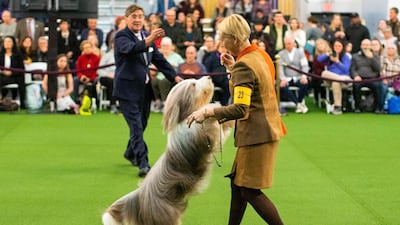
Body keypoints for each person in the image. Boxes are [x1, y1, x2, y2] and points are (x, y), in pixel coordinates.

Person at [187, 14, 286, 225]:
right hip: (266, 129)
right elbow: (256, 88)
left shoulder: (244, 65)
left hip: (257, 135)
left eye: (224, 38)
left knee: (249, 190)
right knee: (237, 184)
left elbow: (241, 108)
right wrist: (233, 69)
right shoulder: (261, 55)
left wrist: (207, 112)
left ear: (235, 38)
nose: (222, 43)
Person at [113, 4, 183, 177]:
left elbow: (159, 60)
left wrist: (174, 77)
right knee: (136, 126)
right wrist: (149, 40)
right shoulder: (121, 36)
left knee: (142, 124)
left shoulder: (146, 36)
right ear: (127, 19)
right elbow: (129, 49)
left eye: (140, 16)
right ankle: (143, 163)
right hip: (127, 90)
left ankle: (130, 153)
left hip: (144, 89)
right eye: (134, 16)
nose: (137, 19)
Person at [318, 39, 352, 114]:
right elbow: (319, 59)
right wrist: (328, 54)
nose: (337, 47)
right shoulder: (330, 55)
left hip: (342, 82)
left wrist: (337, 62)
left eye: (339, 46)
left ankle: (338, 108)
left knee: (335, 83)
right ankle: (340, 79)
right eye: (335, 46)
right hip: (337, 79)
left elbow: (346, 69)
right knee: (324, 73)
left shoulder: (346, 56)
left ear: (342, 47)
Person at [151, 36, 184, 113]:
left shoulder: (177, 56)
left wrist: (173, 66)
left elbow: (182, 67)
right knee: (154, 81)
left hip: (171, 77)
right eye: (163, 46)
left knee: (163, 82)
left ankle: (165, 103)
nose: (165, 48)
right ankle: (157, 101)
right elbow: (152, 68)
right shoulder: (158, 56)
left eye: (167, 46)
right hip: (158, 76)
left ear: (171, 47)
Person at [278, 37, 310, 114]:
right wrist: (283, 79)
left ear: (294, 44)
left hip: (298, 76)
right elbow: (280, 68)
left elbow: (305, 66)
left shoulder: (300, 52)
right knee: (282, 86)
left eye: (289, 44)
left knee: (305, 83)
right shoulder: (281, 54)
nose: (287, 45)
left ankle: (298, 102)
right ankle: (298, 104)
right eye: (285, 44)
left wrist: (304, 77)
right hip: (287, 78)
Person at [351, 39, 383, 113]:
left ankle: (377, 108)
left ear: (370, 46)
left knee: (378, 86)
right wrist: (355, 76)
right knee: (356, 85)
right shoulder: (355, 56)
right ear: (361, 46)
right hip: (360, 78)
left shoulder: (375, 56)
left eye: (367, 45)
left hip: (372, 78)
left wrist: (372, 58)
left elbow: (378, 69)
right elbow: (352, 69)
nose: (365, 47)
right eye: (364, 45)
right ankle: (357, 107)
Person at [0, 36, 25, 108]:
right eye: (5, 42)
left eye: (9, 42)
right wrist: (3, 72)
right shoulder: (0, 54)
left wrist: (12, 72)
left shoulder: (18, 55)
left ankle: (22, 103)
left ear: (13, 43)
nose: (7, 43)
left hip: (15, 76)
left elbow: (21, 68)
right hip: (2, 75)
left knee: (20, 80)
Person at [98, 38, 118, 114]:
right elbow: (99, 70)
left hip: (119, 77)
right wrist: (108, 75)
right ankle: (113, 105)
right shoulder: (106, 56)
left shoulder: (124, 56)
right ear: (112, 45)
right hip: (106, 77)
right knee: (112, 82)